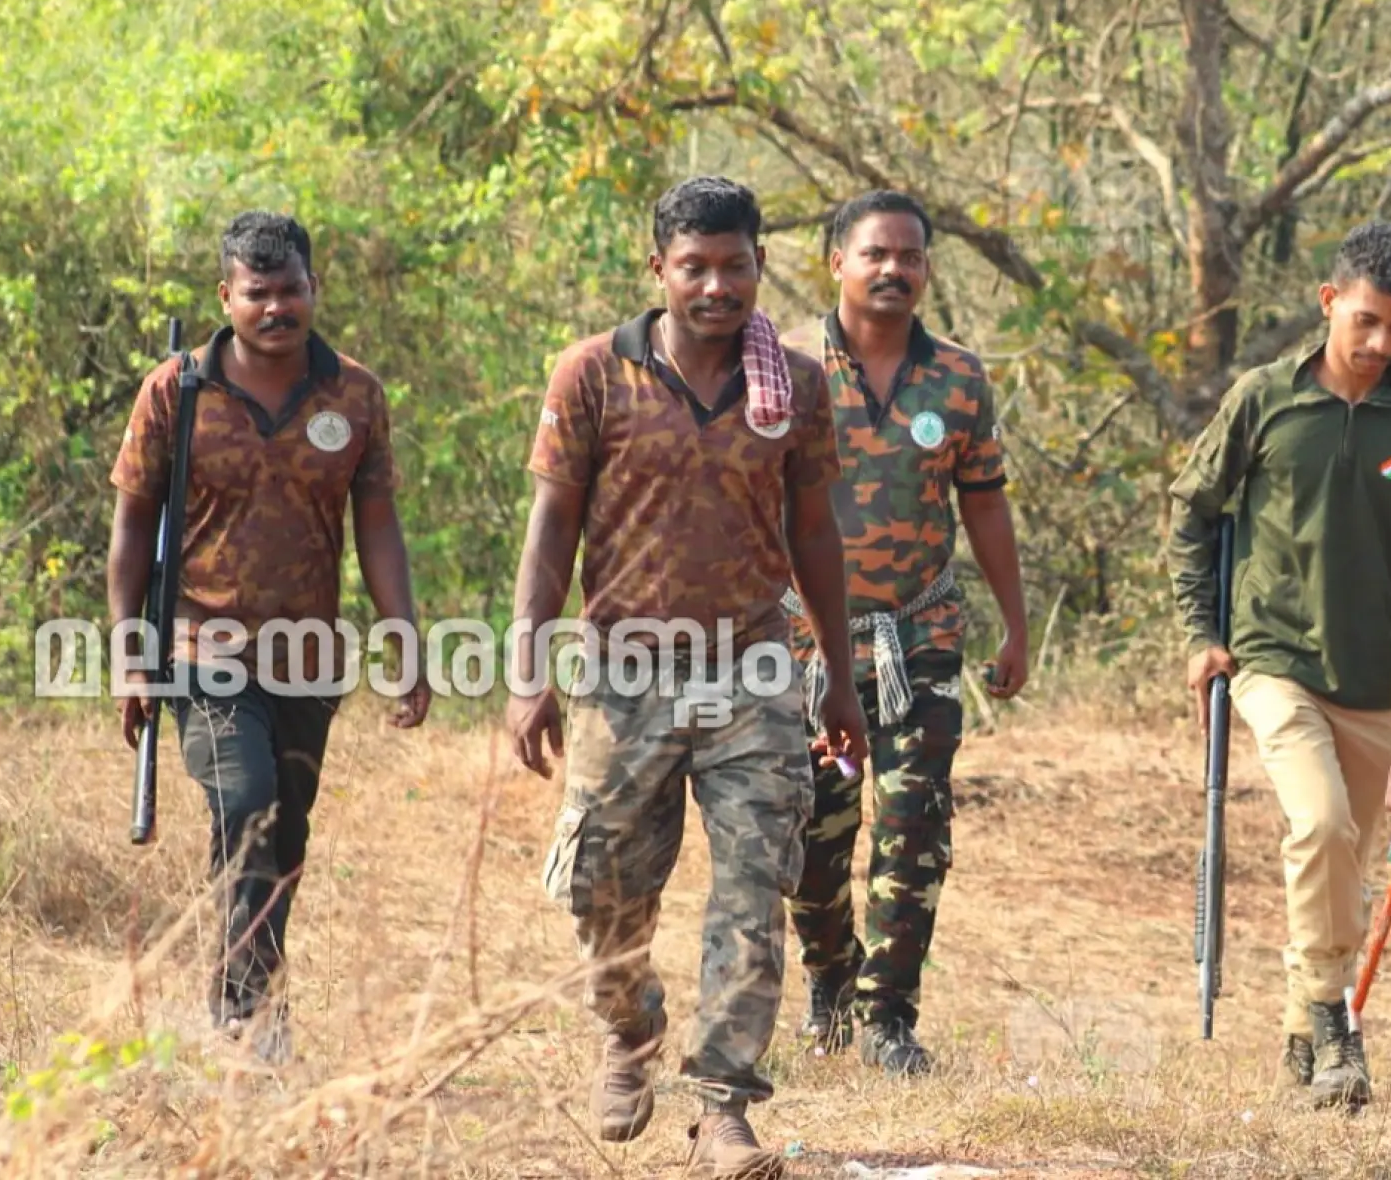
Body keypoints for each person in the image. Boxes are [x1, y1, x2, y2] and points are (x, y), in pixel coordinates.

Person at [508, 175, 869, 1180]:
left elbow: (813, 534)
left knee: (755, 883)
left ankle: (724, 1108)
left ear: (760, 265)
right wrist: (525, 668)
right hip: (623, 671)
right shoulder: (590, 376)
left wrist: (834, 679)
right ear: (658, 267)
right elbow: (551, 532)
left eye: (736, 266)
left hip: (753, 669)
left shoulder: (794, 384)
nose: (717, 287)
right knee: (601, 888)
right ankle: (628, 1035)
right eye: (695, 267)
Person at [107, 211, 429, 1065]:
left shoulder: (355, 395)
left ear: (314, 290)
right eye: (259, 293)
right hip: (201, 650)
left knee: (282, 835)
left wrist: (407, 643)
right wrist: (128, 655)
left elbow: (380, 527)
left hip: (308, 663)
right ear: (228, 296)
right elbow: (134, 530)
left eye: (291, 290)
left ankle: (246, 990)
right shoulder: (173, 393)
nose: (277, 307)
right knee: (244, 806)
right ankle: (246, 1018)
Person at [1165, 220, 1391, 1112]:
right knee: (1319, 829)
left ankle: (1300, 1036)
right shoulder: (1262, 397)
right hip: (1275, 660)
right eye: (1365, 321)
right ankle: (1334, 1024)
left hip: (1379, 677)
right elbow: (1192, 512)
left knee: (1348, 866)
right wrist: (1200, 632)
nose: (1378, 344)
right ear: (1329, 303)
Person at [778, 189, 1029, 1075]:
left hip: (921, 630)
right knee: (814, 826)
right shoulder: (781, 365)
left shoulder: (958, 378)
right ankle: (830, 982)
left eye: (911, 256)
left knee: (914, 820)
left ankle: (888, 1017)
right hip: (805, 640)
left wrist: (1015, 626)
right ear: (836, 262)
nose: (894, 270)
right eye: (875, 254)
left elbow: (986, 503)